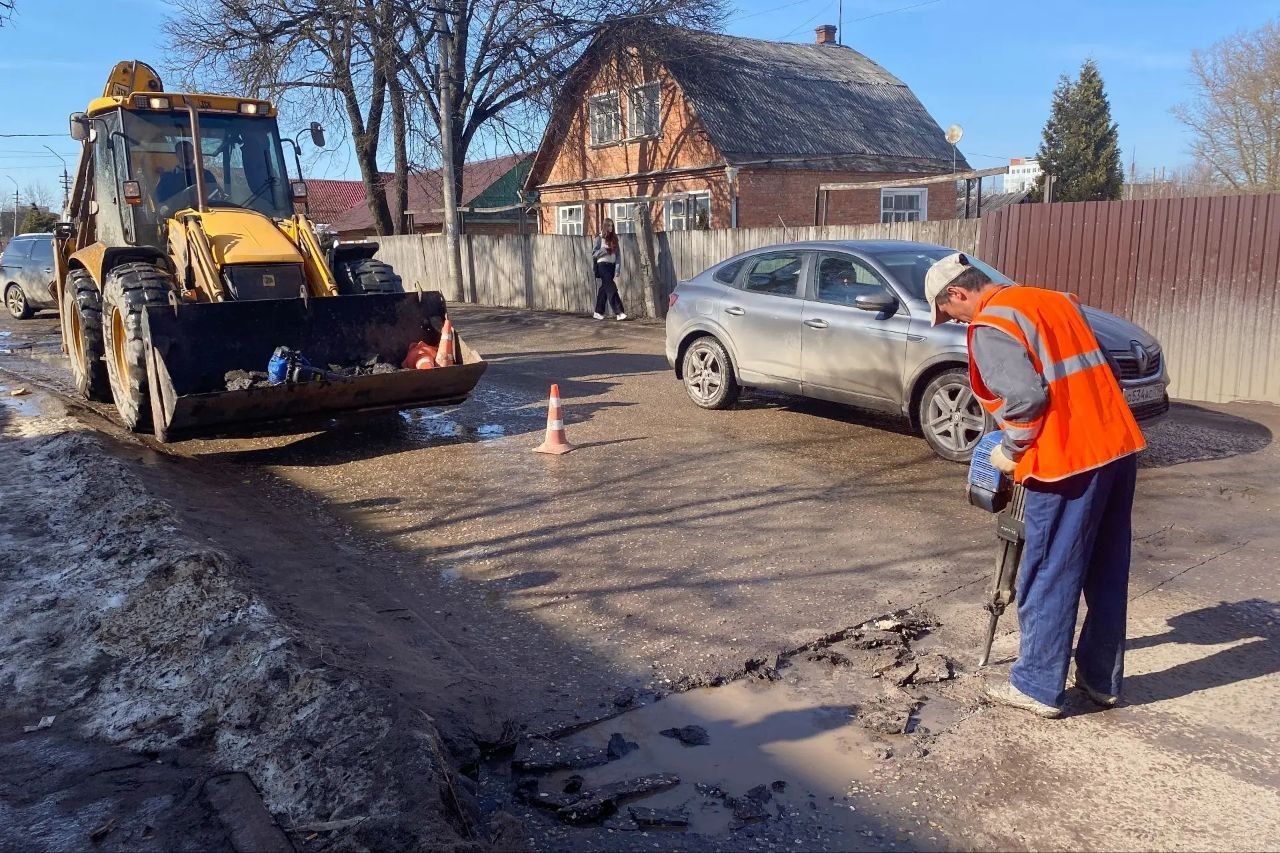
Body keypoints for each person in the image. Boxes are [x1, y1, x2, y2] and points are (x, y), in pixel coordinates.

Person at [926, 252, 1145, 719]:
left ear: (959, 294)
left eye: (950, 312)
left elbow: (1025, 400)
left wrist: (1013, 450)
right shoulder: (1053, 302)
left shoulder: (990, 325)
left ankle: (1037, 687)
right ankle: (1100, 680)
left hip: (1066, 462)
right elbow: (1107, 369)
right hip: (1116, 447)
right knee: (1106, 569)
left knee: (1049, 570)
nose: (953, 320)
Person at [156, 140, 219, 209]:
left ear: (194, 154)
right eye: (183, 152)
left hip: (205, 214)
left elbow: (215, 196)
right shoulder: (167, 178)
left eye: (190, 151)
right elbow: (161, 204)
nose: (186, 154)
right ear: (176, 154)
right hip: (176, 216)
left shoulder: (206, 175)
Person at [591, 218, 627, 321]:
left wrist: (617, 269)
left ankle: (597, 312)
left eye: (612, 225)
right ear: (605, 227)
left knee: (604, 289)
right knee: (611, 287)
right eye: (608, 226)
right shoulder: (599, 238)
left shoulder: (614, 239)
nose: (610, 228)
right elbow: (594, 254)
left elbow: (618, 256)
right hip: (602, 266)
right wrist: (604, 250)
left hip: (611, 267)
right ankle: (619, 312)